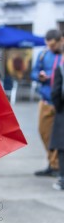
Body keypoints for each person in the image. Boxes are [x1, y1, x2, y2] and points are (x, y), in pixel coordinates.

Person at [31, 29, 63, 177]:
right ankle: (53, 163)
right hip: (46, 100)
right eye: (48, 45)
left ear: (60, 40)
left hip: (61, 103)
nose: (50, 48)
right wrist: (39, 76)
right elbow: (33, 72)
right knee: (44, 133)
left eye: (53, 45)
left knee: (59, 136)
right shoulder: (43, 54)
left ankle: (56, 166)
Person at [50, 38, 64, 190]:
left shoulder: (60, 68)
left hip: (62, 111)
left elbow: (56, 93)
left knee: (62, 147)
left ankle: (63, 179)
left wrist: (58, 108)